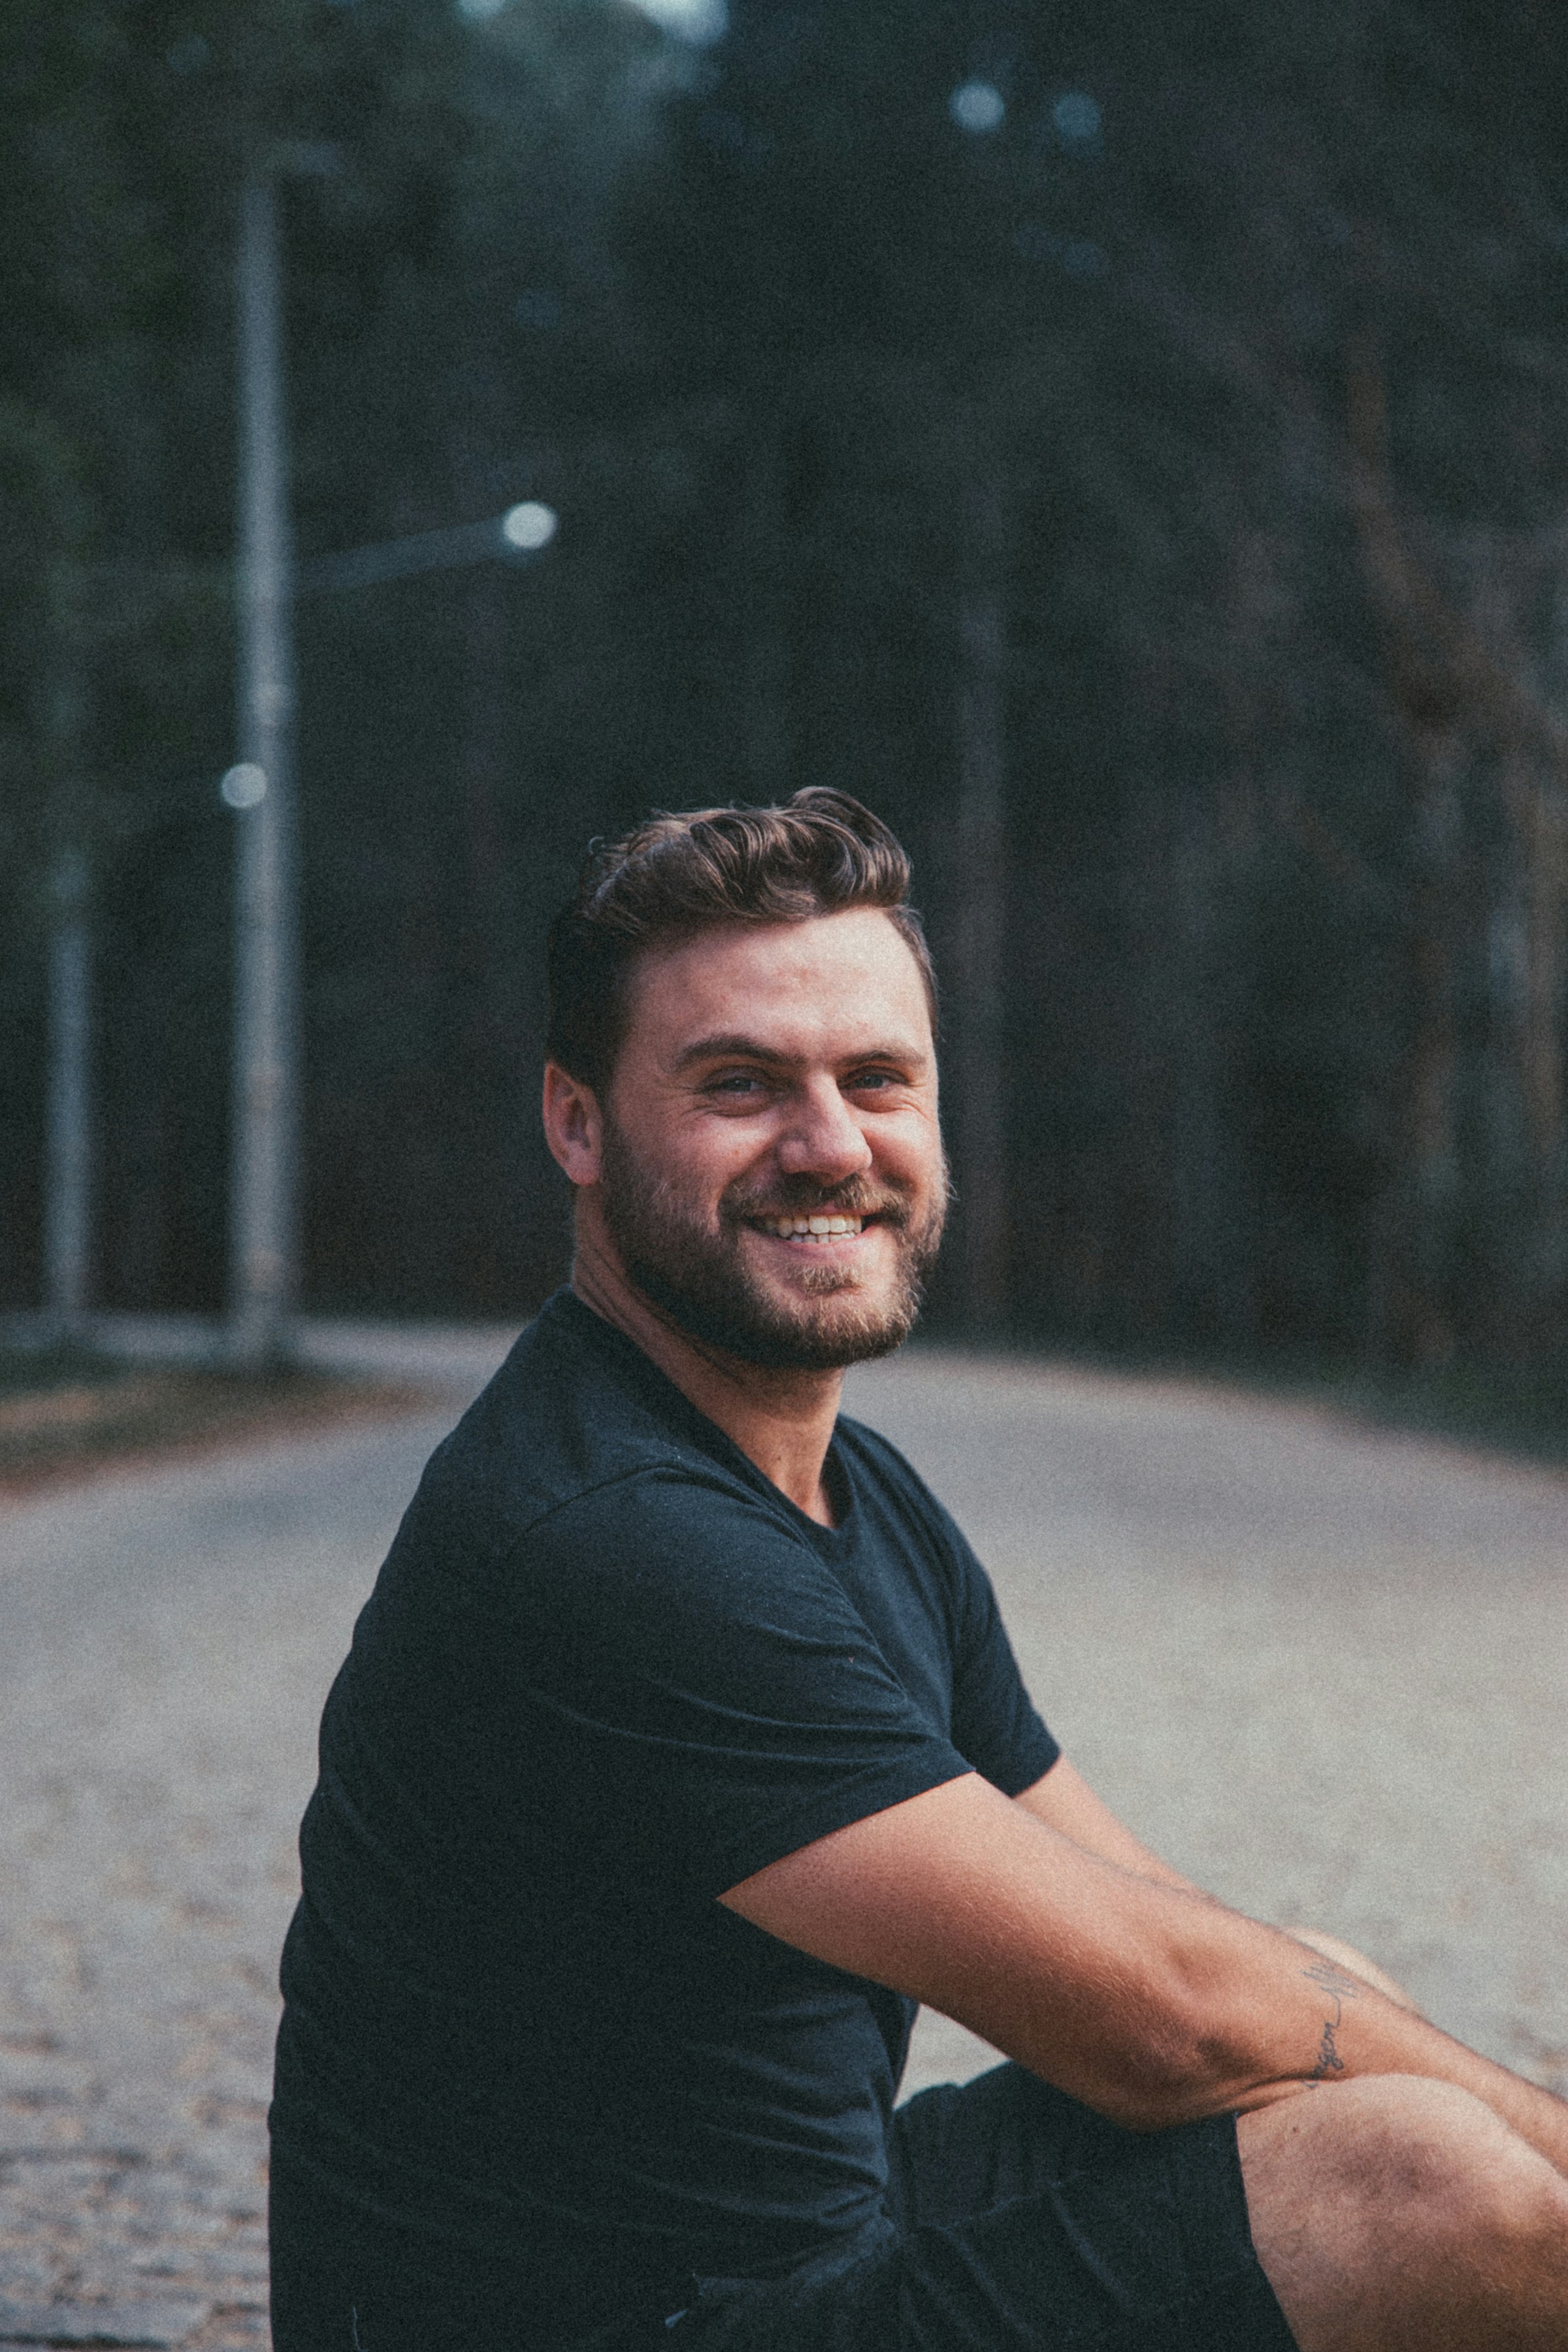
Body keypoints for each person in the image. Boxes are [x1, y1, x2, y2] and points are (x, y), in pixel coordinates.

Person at [269, 789, 1568, 2352]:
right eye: (740, 1085)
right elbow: (1156, 2023)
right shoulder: (609, 1532)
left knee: (1327, 1996)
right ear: (578, 1122)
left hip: (794, 2244)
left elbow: (1141, 1916)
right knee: (1410, 2180)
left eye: (877, 1079)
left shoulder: (846, 1489)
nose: (830, 1146)